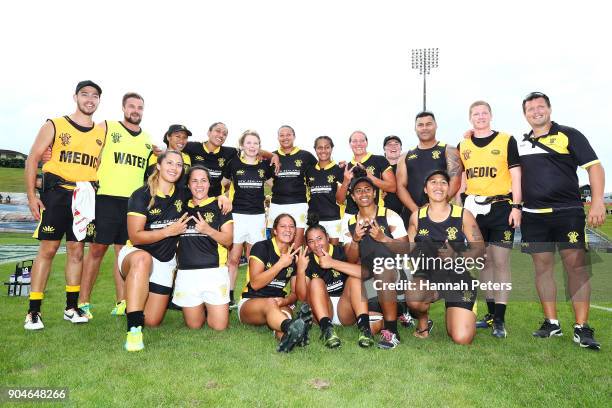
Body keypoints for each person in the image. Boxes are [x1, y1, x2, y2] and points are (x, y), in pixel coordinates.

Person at [519, 92, 605, 350]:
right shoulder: (520, 143)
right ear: (525, 114)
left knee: (576, 268)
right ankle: (551, 322)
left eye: (540, 107)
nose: (536, 112)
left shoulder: (569, 134)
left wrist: (598, 201)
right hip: (533, 216)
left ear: (549, 109)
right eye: (530, 109)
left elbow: (595, 167)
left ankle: (582, 327)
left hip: (567, 213)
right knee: (543, 269)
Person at [24, 80, 105, 330]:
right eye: (85, 94)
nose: (89, 99)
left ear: (99, 100)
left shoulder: (101, 132)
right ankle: (33, 311)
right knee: (48, 250)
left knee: (76, 251)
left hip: (84, 195)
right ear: (76, 97)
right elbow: (32, 158)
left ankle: (71, 307)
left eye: (94, 96)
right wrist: (31, 196)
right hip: (56, 193)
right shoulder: (55, 125)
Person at [78, 92, 153, 319]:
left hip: (132, 204)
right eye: (132, 106)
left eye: (140, 107)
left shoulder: (147, 139)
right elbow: (87, 146)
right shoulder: (108, 127)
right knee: (97, 250)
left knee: (123, 252)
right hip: (106, 198)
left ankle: (121, 301)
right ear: (123, 108)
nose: (136, 111)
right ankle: (83, 302)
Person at [457, 101, 522, 338]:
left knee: (501, 261)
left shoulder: (506, 139)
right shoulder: (463, 144)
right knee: (483, 262)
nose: (480, 116)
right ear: (470, 118)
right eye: (476, 113)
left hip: (501, 206)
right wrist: (459, 208)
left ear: (491, 115)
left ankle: (501, 320)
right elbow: (461, 181)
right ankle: (491, 313)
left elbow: (516, 176)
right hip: (474, 208)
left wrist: (516, 206)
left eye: (484, 113)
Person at [119, 150, 189, 351]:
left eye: (179, 164)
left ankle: (134, 300)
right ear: (158, 165)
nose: (174, 168)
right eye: (169, 163)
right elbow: (136, 235)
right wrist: (168, 232)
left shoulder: (183, 193)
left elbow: (205, 195)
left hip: (165, 261)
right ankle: (133, 331)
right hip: (136, 254)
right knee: (143, 260)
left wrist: (223, 198)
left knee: (152, 321)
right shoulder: (141, 194)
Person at [406, 170, 485, 345]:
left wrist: (457, 255)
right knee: (414, 296)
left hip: (458, 278)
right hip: (429, 277)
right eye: (433, 182)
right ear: (425, 189)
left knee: (462, 338)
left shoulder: (463, 215)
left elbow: (480, 250)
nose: (438, 186)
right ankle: (423, 322)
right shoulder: (416, 217)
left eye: (443, 182)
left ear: (448, 188)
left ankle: (464, 308)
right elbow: (408, 250)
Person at [342, 176, 408, 349]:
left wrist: (384, 238)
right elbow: (349, 259)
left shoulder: (389, 215)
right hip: (368, 279)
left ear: (374, 193)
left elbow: (406, 249)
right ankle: (399, 311)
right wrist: (355, 239)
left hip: (393, 276)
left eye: (367, 189)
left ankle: (393, 332)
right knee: (371, 328)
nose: (363, 193)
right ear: (353, 197)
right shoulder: (349, 223)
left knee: (383, 269)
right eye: (358, 190)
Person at [295, 218, 375, 348]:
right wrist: (300, 271)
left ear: (327, 237)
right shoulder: (306, 260)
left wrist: (332, 263)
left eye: (319, 238)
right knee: (316, 282)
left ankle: (365, 329)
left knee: (355, 279)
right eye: (311, 241)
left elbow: (367, 273)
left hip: (346, 308)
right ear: (307, 245)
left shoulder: (342, 251)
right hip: (322, 309)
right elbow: (301, 297)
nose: (316, 244)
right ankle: (327, 331)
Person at [238, 213, 311, 353]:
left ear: (295, 232)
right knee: (271, 304)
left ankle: (287, 339)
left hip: (278, 303)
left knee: (283, 315)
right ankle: (291, 327)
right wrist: (280, 264)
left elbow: (298, 295)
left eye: (291, 227)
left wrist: (300, 270)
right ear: (275, 231)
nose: (288, 229)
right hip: (251, 302)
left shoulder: (295, 256)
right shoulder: (261, 247)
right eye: (283, 226)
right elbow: (255, 284)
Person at [173, 166, 233, 330]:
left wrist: (208, 230)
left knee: (219, 326)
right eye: (194, 181)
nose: (199, 185)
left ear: (209, 183)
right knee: (194, 325)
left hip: (214, 271)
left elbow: (228, 240)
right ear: (188, 185)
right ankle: (203, 307)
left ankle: (212, 306)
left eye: (203, 181)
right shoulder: (180, 207)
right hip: (187, 273)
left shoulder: (220, 205)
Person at [222, 130, 275, 308]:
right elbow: (222, 185)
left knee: (254, 258)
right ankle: (229, 296)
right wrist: (222, 199)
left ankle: (251, 293)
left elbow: (275, 186)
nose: (252, 146)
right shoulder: (233, 164)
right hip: (237, 216)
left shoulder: (264, 167)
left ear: (260, 147)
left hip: (258, 218)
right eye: (249, 143)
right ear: (242, 145)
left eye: (256, 143)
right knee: (234, 258)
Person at [183, 122, 278, 198]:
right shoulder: (193, 147)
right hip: (193, 198)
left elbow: (250, 149)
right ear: (209, 132)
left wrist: (273, 156)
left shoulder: (229, 152)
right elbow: (175, 146)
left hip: (216, 201)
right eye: (218, 131)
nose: (221, 135)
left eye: (224, 134)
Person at [396, 112, 462, 219]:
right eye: (420, 125)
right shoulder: (405, 156)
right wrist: (416, 210)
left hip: (440, 213)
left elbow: (455, 181)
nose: (424, 128)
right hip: (412, 214)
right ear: (415, 128)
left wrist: (436, 206)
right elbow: (400, 186)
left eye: (428, 124)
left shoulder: (449, 150)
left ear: (436, 125)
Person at [268, 125, 317, 248]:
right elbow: (253, 151)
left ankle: (297, 267)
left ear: (294, 136)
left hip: (298, 204)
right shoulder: (271, 156)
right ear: (278, 137)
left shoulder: (305, 156)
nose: (285, 138)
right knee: (277, 246)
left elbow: (321, 171)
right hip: (277, 205)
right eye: (282, 135)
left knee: (297, 246)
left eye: (288, 134)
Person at [338, 130, 396, 226]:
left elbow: (392, 187)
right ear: (350, 144)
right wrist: (346, 182)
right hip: (351, 216)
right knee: (351, 241)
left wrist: (370, 177)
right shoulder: (345, 167)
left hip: (376, 214)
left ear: (367, 142)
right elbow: (340, 200)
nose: (358, 144)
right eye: (355, 141)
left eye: (362, 140)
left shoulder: (379, 160)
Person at [304, 136, 346, 245]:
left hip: (334, 219)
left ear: (332, 148)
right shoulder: (309, 170)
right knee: (313, 255)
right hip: (314, 219)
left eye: (327, 147)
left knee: (334, 254)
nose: (323, 151)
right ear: (315, 149)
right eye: (320, 148)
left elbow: (341, 199)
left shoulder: (339, 170)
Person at [382, 135, 405, 222]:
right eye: (389, 144)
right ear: (384, 149)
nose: (393, 146)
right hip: (384, 215)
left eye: (396, 144)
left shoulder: (409, 166)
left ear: (401, 148)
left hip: (406, 213)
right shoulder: (378, 168)